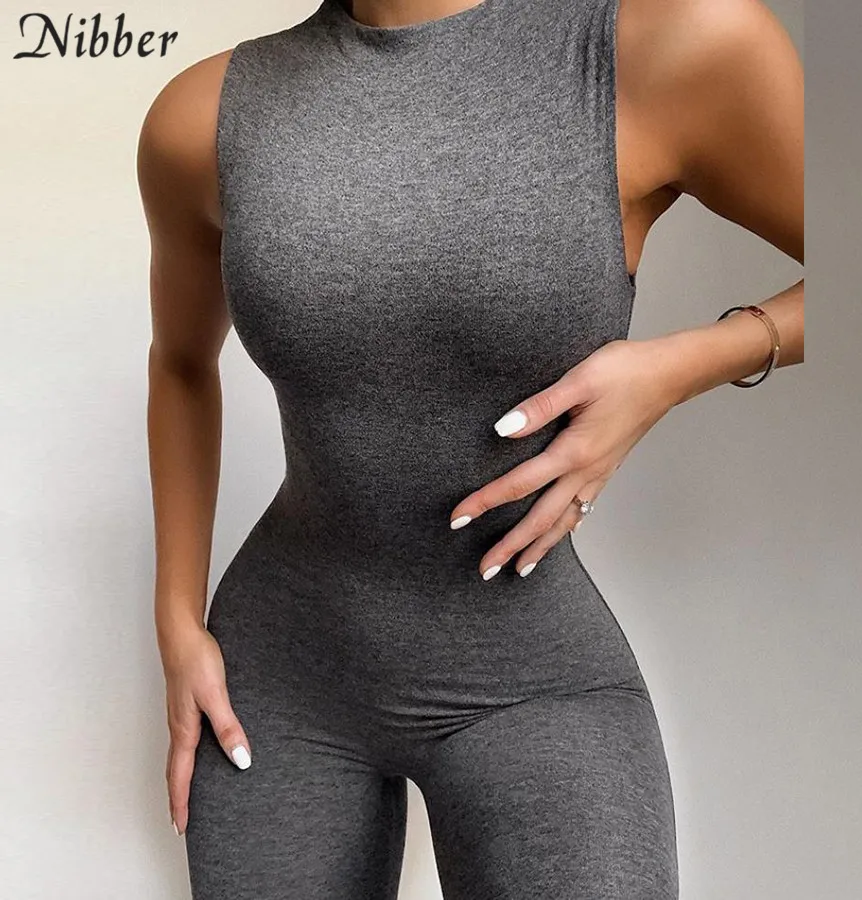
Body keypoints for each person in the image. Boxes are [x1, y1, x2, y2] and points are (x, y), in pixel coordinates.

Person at [137, 0, 803, 896]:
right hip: (277, 677)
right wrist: (177, 623)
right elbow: (181, 364)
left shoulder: (664, 45)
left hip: (532, 676)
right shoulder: (203, 116)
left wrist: (675, 369)